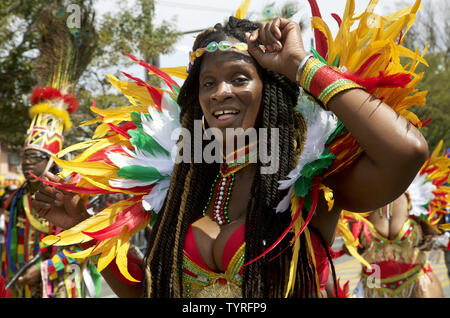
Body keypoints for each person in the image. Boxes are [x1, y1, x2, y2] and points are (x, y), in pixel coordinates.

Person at [32, 1, 429, 298]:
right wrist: (82, 229)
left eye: (239, 78)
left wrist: (299, 64)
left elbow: (406, 151)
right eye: (208, 83)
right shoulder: (183, 185)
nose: (221, 92)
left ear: (269, 90)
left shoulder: (310, 183)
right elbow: (152, 292)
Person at [1, 5, 100, 298]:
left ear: (51, 162)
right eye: (25, 156)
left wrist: (42, 271)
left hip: (60, 289)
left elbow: (85, 245)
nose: (27, 164)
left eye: (36, 158)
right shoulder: (18, 200)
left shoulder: (71, 196)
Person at [344, 141, 449, 298]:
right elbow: (349, 247)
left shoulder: (419, 195)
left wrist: (436, 239)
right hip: (374, 286)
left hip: (416, 286)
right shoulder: (358, 200)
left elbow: (432, 238)